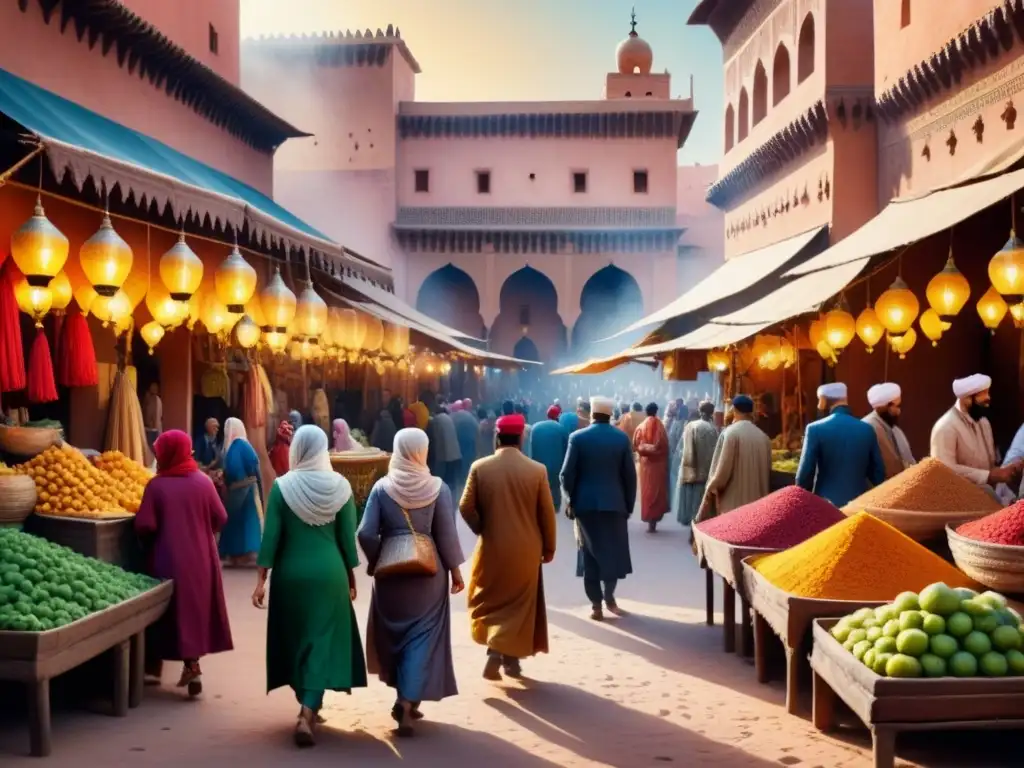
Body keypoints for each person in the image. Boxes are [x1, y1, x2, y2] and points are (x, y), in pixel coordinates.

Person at [252, 425, 367, 748]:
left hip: (290, 576)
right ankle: (309, 707)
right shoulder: (341, 487)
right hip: (330, 574)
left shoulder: (282, 487)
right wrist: (351, 576)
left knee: (297, 639)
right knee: (320, 638)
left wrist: (261, 580)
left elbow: (270, 538)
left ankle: (307, 701)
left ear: (297, 449)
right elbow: (347, 540)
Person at [358, 428, 465, 736]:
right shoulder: (438, 488)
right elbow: (446, 536)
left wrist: (380, 560)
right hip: (428, 577)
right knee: (422, 638)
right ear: (421, 451)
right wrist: (456, 574)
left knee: (396, 636)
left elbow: (365, 533)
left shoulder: (382, 488)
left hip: (391, 578)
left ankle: (403, 696)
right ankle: (407, 702)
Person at [135, 430, 233, 697]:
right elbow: (221, 517)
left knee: (162, 612)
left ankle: (150, 666)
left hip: (167, 559)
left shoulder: (156, 486)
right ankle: (192, 665)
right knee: (192, 612)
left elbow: (145, 524)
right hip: (202, 559)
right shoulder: (203, 482)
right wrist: (201, 527)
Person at [460, 414, 557, 680]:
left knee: (491, 600)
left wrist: (483, 527)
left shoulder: (480, 467)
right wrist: (549, 547)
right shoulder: (537, 470)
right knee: (520, 606)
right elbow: (546, 513)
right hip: (527, 549)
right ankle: (504, 656)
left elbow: (465, 506)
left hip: (492, 547)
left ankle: (503, 655)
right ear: (521, 438)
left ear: (497, 437)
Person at [560, 396, 636, 621]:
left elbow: (566, 474)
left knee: (589, 554)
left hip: (585, 507)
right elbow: (629, 477)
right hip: (615, 505)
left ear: (592, 415)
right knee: (612, 553)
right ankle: (609, 597)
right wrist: (628, 505)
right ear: (610, 415)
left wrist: (570, 500)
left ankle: (596, 605)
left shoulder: (578, 438)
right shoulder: (621, 438)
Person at [931, 374, 1021, 501]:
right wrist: (989, 476)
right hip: (957, 501)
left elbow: (989, 467)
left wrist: (1008, 471)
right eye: (983, 395)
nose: (988, 399)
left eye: (988, 394)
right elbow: (944, 470)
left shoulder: (984, 423)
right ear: (967, 399)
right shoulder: (946, 427)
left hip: (984, 497)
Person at [795, 383, 883, 508]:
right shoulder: (867, 429)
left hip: (826, 506)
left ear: (825, 401)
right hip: (859, 505)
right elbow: (878, 474)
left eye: (819, 401)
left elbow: (803, 476)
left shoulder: (814, 429)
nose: (818, 406)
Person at [698, 395, 772, 520]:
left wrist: (710, 487)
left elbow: (722, 473)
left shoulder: (729, 434)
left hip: (734, 508)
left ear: (735, 410)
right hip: (759, 508)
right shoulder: (764, 438)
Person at [218, 418, 264, 566]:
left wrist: (225, 477)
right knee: (247, 520)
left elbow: (232, 469)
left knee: (236, 521)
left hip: (238, 490)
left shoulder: (234, 447)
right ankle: (244, 554)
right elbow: (253, 466)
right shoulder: (244, 445)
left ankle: (237, 554)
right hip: (248, 489)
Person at [676, 400, 718, 526]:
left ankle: (691, 527)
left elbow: (684, 451)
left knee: (690, 504)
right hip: (706, 473)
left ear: (700, 411)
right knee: (700, 504)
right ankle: (697, 528)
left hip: (691, 472)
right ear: (712, 413)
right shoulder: (713, 429)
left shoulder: (691, 426)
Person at [863, 383, 916, 480]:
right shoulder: (866, 428)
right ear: (886, 406)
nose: (899, 411)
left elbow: (908, 460)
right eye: (897, 406)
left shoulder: (895, 430)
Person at [633, 402, 670, 533]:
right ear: (656, 411)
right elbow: (665, 445)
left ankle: (649, 520)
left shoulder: (641, 426)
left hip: (645, 464)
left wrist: (644, 450)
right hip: (658, 465)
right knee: (656, 492)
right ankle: (654, 522)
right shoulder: (660, 426)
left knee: (647, 491)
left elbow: (635, 444)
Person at [530, 405, 570, 510]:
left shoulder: (535, 427)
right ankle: (555, 508)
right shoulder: (561, 429)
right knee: (555, 487)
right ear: (558, 416)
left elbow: (531, 446)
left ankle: (540, 506)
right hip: (556, 466)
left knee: (540, 486)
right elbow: (567, 449)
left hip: (537, 464)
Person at [429, 404, 462, 490]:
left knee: (444, 480)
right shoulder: (448, 417)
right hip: (454, 453)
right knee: (451, 479)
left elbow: (435, 438)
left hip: (445, 454)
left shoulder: (436, 420)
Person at [451, 402, 480, 498]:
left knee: (460, 460)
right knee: (468, 461)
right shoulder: (469, 416)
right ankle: (468, 478)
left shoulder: (453, 416)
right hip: (470, 441)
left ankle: (460, 480)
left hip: (458, 441)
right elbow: (477, 427)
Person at [665, 399, 686, 496]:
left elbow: (676, 439)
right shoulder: (675, 422)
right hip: (674, 452)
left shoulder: (680, 424)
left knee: (674, 477)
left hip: (676, 454)